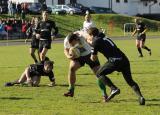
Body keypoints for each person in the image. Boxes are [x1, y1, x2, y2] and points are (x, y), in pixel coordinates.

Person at [87, 27, 145, 105]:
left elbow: (93, 58)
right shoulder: (102, 36)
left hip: (114, 60)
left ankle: (113, 89)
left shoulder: (95, 41)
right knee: (130, 81)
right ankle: (141, 97)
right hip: (124, 59)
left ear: (91, 35)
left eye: (89, 35)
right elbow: (98, 42)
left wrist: (91, 45)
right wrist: (90, 42)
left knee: (99, 74)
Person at [63, 32, 109, 100]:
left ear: (76, 39)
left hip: (89, 54)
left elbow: (89, 37)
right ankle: (71, 90)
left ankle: (104, 94)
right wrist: (68, 56)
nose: (71, 45)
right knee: (72, 68)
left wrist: (90, 41)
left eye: (73, 43)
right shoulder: (66, 40)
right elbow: (66, 50)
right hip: (78, 56)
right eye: (70, 44)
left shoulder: (82, 35)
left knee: (98, 73)